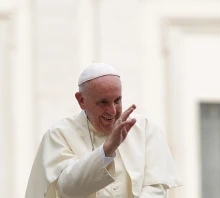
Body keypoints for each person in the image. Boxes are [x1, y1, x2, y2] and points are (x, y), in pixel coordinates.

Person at [25, 63, 182, 198]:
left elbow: (155, 187)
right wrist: (108, 149)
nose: (112, 111)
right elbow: (69, 189)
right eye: (103, 102)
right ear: (81, 101)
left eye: (117, 100)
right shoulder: (59, 134)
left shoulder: (147, 129)